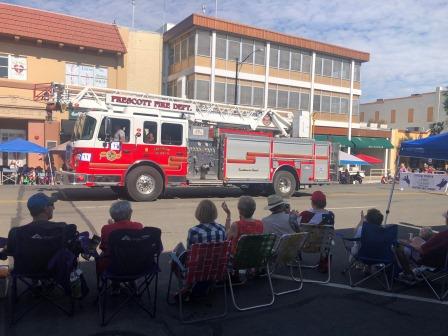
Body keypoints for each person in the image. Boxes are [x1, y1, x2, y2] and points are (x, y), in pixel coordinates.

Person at [1, 193, 78, 258]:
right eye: (51, 205)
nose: (54, 208)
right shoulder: (61, 228)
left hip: (24, 275)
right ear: (45, 208)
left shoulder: (16, 233)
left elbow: (8, 251)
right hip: (53, 274)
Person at [395, 211, 448, 282]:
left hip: (433, 262)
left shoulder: (442, 236)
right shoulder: (441, 236)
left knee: (399, 248)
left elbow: (421, 250)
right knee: (417, 240)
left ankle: (407, 274)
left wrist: (406, 243)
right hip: (443, 261)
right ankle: (415, 271)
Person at [299, 191, 334, 273]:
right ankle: (324, 260)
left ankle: (296, 257)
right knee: (324, 235)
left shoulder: (305, 214)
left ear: (312, 202)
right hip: (322, 246)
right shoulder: (330, 216)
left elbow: (296, 226)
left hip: (304, 245)